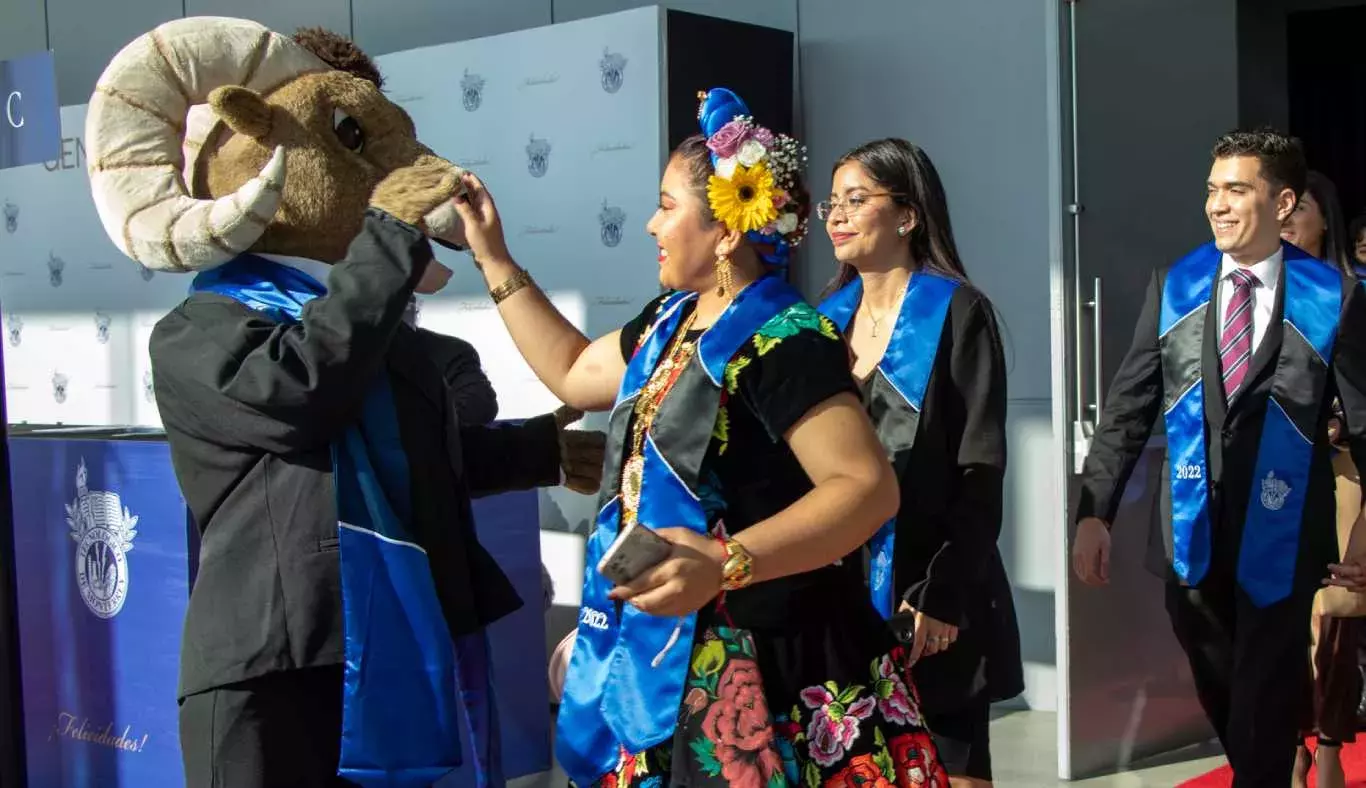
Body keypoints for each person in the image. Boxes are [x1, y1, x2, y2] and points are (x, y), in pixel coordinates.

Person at [84, 18, 604, 787]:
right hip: (276, 670)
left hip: (394, 651)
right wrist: (388, 238)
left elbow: (423, 464)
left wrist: (540, 453)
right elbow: (301, 396)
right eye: (354, 139)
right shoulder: (198, 331)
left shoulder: (379, 332)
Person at [452, 87, 949, 787]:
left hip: (765, 667)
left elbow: (866, 489)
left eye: (666, 205)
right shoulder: (669, 322)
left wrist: (725, 562)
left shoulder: (786, 340)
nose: (652, 225)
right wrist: (493, 255)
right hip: (664, 652)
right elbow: (571, 371)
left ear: (725, 228)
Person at [1072, 128, 1366, 787]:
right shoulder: (1175, 286)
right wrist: (1093, 512)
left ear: (1284, 202)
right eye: (1212, 190)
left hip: (1285, 536)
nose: (1218, 205)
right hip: (1189, 534)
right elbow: (1128, 407)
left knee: (1265, 686)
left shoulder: (1334, 297)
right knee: (1226, 684)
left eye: (1237, 189)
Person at [816, 138, 1023, 786]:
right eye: (832, 202)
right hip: (843, 598)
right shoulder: (817, 326)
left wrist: (943, 594)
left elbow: (980, 469)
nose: (837, 216)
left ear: (907, 215)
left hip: (933, 595)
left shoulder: (959, 312)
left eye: (857, 200)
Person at [1280, 170, 1362, 788]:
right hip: (1276, 475)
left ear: (1324, 219)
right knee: (1283, 614)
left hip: (1345, 466)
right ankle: (1292, 737)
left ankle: (1329, 741)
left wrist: (1334, 419)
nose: (1285, 220)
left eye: (1298, 207)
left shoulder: (1350, 295)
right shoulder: (1252, 294)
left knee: (1336, 605)